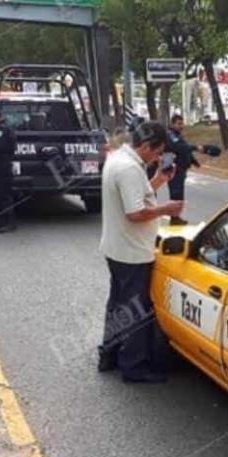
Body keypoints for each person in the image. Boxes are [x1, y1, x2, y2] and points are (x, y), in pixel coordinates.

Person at [98, 122, 183, 383]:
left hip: (117, 247)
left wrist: (159, 180)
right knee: (136, 310)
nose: (158, 158)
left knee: (118, 304)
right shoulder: (129, 169)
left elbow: (135, 196)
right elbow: (135, 213)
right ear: (145, 146)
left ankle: (109, 355)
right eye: (157, 153)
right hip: (132, 252)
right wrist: (166, 209)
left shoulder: (119, 159)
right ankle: (133, 366)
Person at [166, 114, 203, 226]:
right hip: (174, 170)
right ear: (173, 124)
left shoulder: (178, 135)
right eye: (179, 123)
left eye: (182, 123)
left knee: (179, 195)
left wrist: (193, 161)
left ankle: (176, 216)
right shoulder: (170, 135)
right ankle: (174, 218)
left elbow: (185, 149)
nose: (181, 126)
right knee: (175, 194)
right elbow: (179, 148)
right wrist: (195, 147)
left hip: (181, 169)